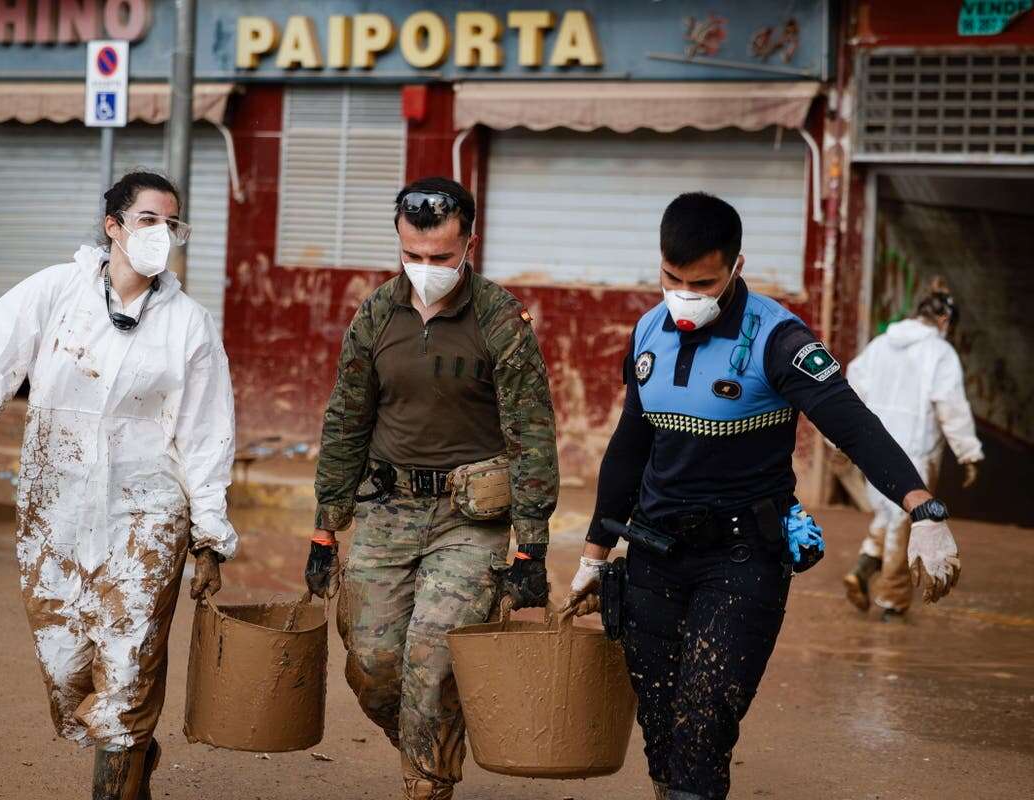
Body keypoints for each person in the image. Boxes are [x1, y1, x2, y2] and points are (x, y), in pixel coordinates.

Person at [563, 193, 961, 800]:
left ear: (737, 267)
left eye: (704, 281)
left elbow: (854, 424)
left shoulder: (780, 340)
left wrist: (922, 506)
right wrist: (595, 555)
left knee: (704, 724)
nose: (685, 294)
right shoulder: (647, 330)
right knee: (661, 731)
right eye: (673, 278)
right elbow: (628, 448)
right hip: (651, 557)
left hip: (741, 560)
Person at [0, 171, 237, 800]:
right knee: (68, 668)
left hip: (149, 513)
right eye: (148, 219)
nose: (162, 234)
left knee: (128, 669)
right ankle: (133, 745)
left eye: (171, 223)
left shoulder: (189, 325)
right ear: (113, 227)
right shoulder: (57, 291)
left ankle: (121, 763)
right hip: (56, 509)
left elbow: (207, 434)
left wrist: (209, 536)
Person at [302, 176, 558, 800]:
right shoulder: (376, 314)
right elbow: (346, 419)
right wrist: (325, 527)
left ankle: (427, 783)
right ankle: (432, 742)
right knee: (373, 664)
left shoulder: (501, 320)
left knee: (432, 658)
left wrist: (531, 546)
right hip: (386, 508)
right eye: (412, 256)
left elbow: (530, 433)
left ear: (470, 243)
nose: (425, 270)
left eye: (441, 258)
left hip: (469, 518)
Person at [842, 280, 983, 620]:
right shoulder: (940, 353)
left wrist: (842, 442)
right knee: (907, 526)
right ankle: (892, 601)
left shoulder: (879, 345)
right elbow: (950, 405)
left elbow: (850, 387)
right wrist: (969, 453)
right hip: (915, 454)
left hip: (874, 451)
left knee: (889, 517)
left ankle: (862, 569)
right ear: (945, 321)